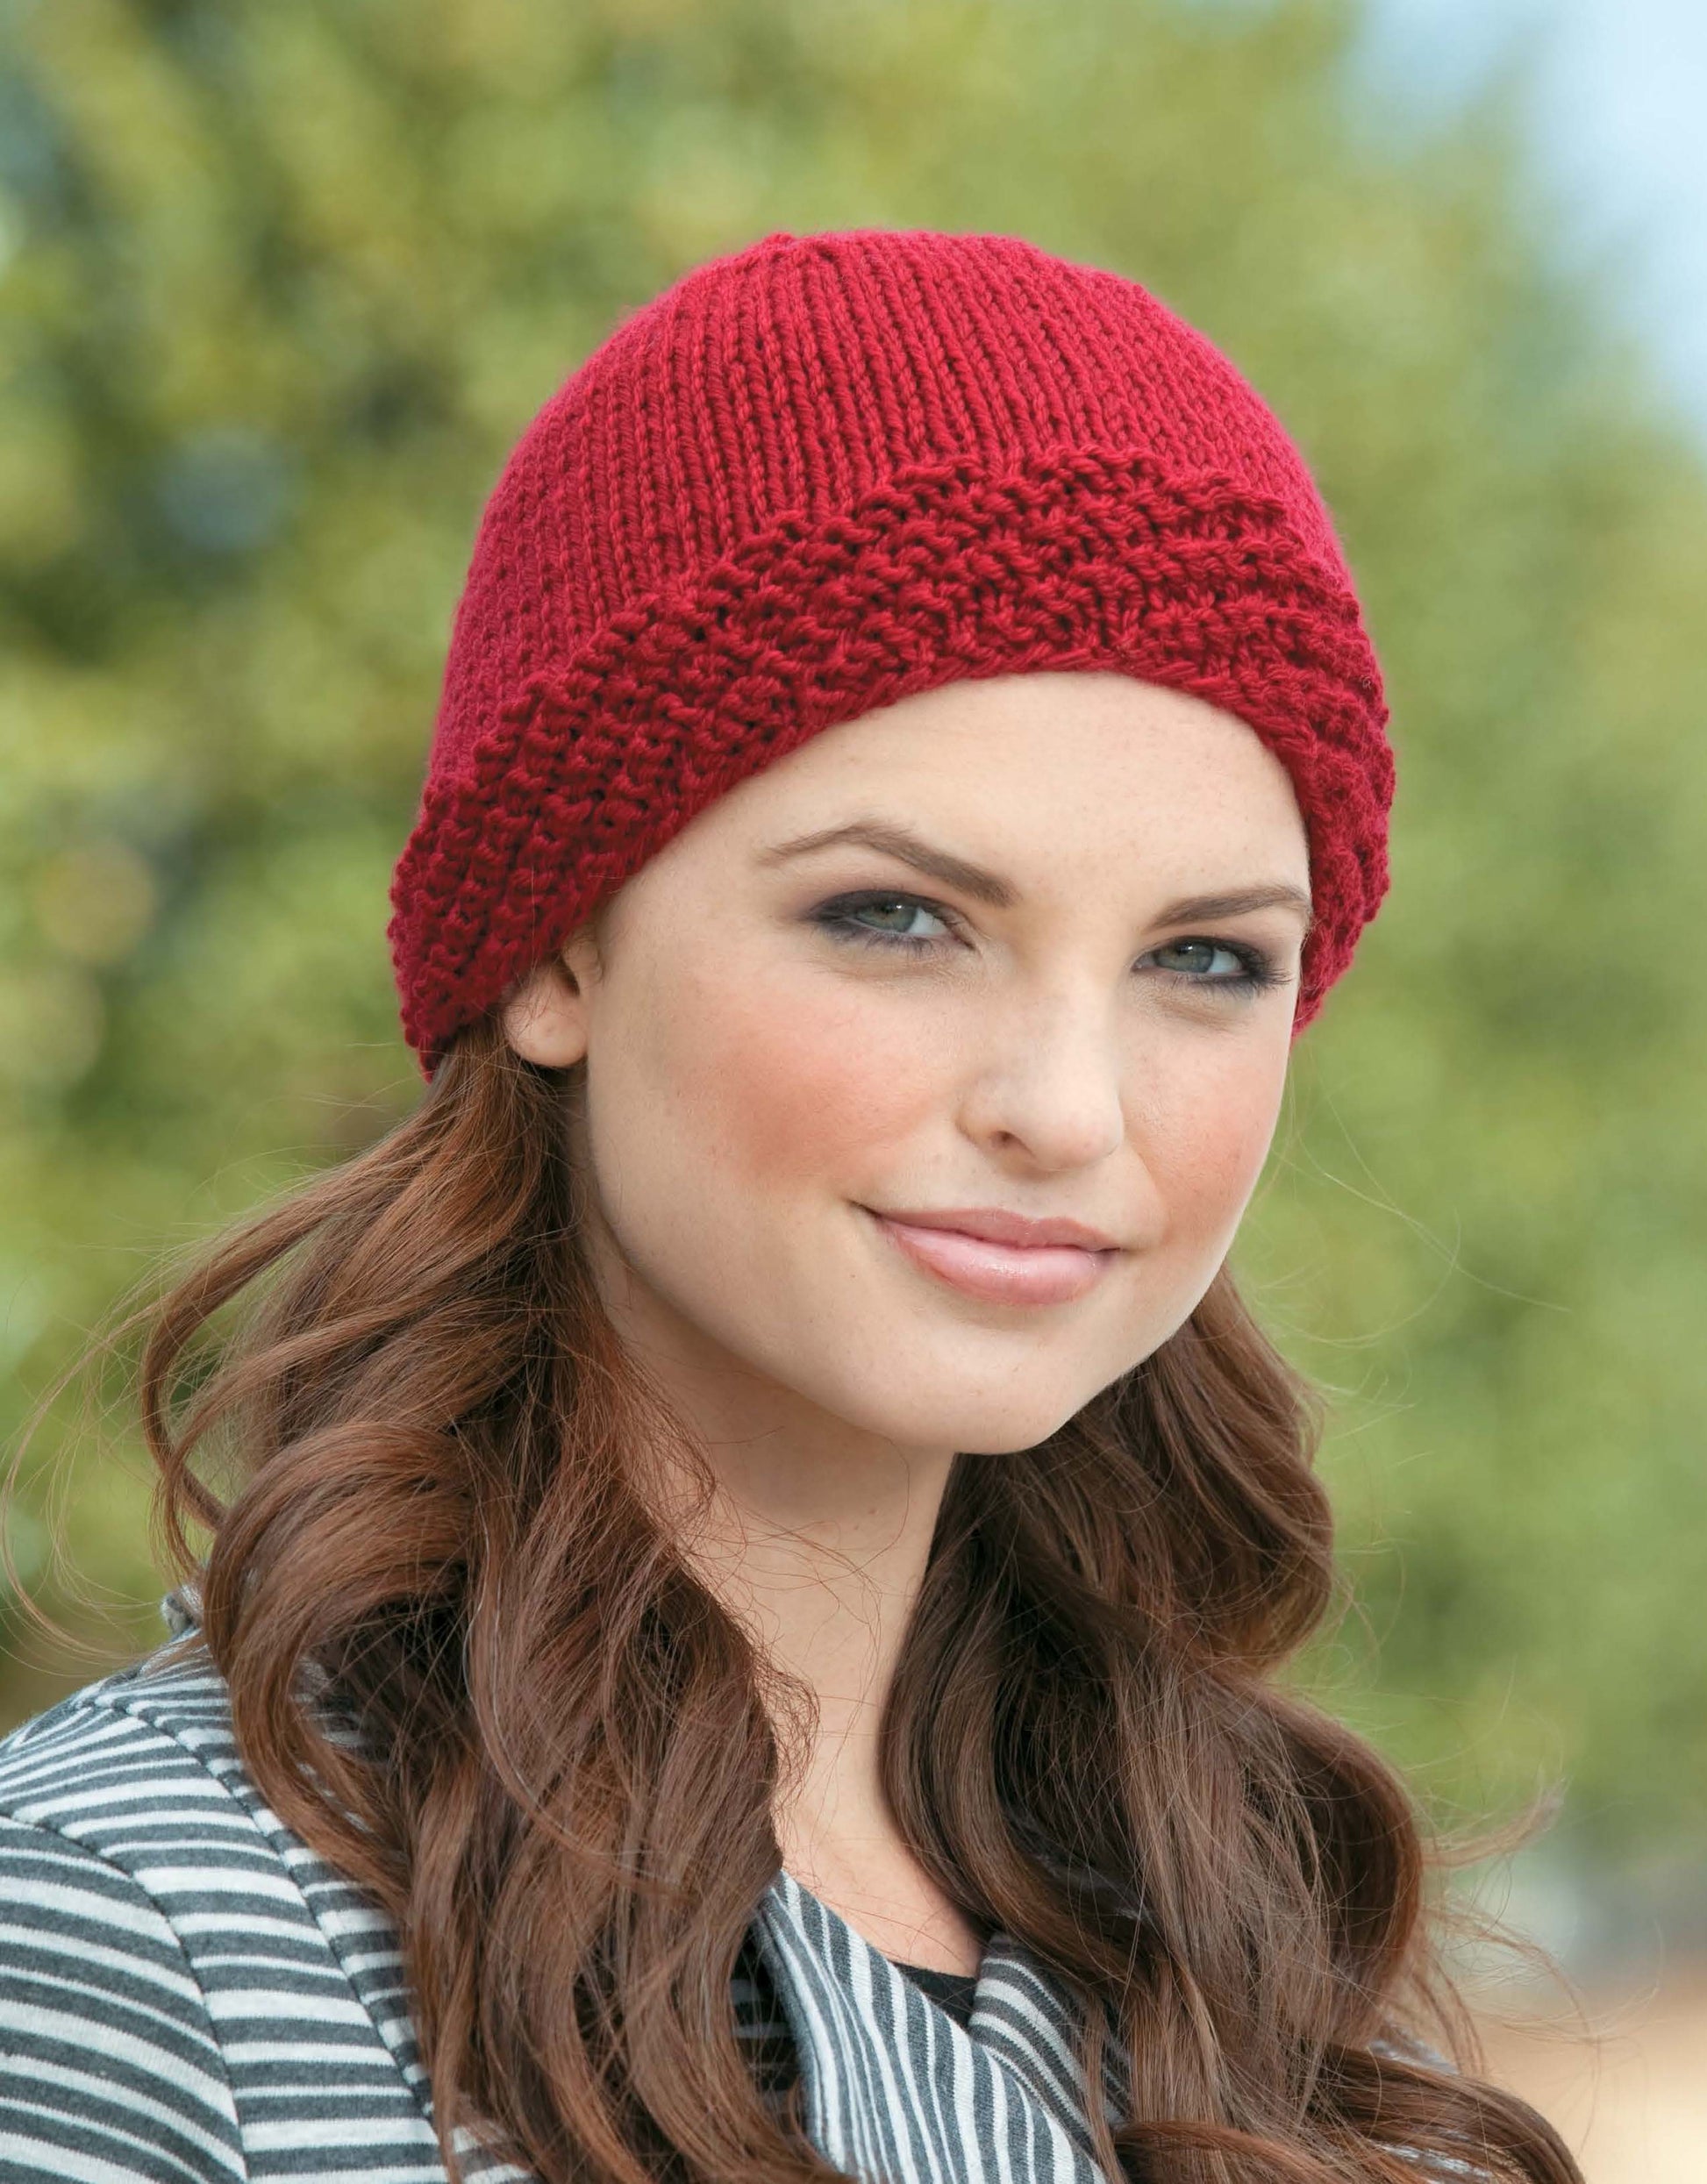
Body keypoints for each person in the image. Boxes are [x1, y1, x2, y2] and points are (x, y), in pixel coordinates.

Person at [0, 228, 1580, 2184]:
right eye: (895, 918)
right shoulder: (134, 1947)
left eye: (1205, 960)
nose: (1065, 1108)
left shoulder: (1226, 1956)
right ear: (556, 952)